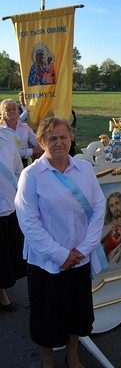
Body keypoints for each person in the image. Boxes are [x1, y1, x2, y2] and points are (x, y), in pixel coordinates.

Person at [15, 117, 106, 368]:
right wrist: (60, 254)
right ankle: (48, 360)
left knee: (75, 314)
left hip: (79, 259)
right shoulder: (31, 175)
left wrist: (83, 250)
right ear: (41, 142)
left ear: (71, 139)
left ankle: (73, 355)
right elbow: (29, 223)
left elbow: (99, 208)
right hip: (47, 263)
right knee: (47, 316)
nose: (59, 142)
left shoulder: (85, 170)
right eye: (52, 138)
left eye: (63, 137)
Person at [0, 129, 26, 312]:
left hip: (9, 206)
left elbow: (18, 169)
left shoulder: (8, 138)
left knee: (7, 252)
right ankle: (2, 295)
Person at [0, 98, 43, 167]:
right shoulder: (2, 131)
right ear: (3, 113)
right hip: (9, 164)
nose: (12, 111)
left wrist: (42, 146)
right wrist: (33, 151)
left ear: (18, 112)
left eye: (14, 109)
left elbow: (35, 140)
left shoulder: (25, 127)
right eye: (8, 110)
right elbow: (14, 152)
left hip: (24, 162)